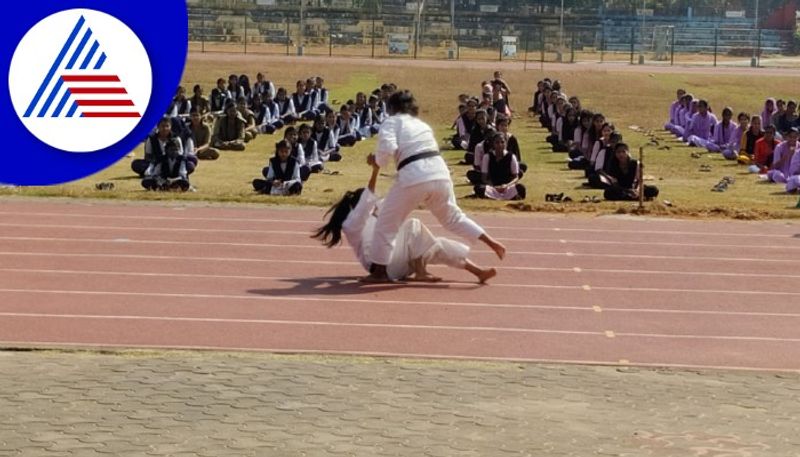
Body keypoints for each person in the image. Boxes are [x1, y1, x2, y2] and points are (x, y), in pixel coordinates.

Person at [361, 90, 506, 283]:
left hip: (413, 175)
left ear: (392, 108)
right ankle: (490, 241)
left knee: (386, 223)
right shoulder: (422, 125)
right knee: (453, 217)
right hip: (440, 173)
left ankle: (379, 272)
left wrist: (377, 161)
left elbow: (387, 148)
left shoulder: (391, 122)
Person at [312, 157, 497, 284]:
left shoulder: (375, 213)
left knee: (437, 245)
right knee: (413, 226)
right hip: (380, 265)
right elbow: (368, 196)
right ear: (361, 204)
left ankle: (478, 272)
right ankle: (421, 272)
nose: (376, 204)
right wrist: (375, 170)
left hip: (397, 264)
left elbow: (396, 198)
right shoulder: (352, 223)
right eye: (372, 203)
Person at [141, 117, 191, 192]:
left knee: (185, 181)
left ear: (171, 127)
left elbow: (182, 174)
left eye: (167, 126)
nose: (165, 128)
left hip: (177, 178)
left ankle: (172, 186)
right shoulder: (152, 140)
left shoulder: (181, 159)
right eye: (162, 126)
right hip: (161, 174)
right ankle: (165, 186)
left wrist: (173, 180)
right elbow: (156, 173)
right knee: (147, 180)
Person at [473, 132, 526, 201]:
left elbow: (516, 177)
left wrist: (506, 186)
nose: (500, 145)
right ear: (493, 144)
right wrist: (494, 186)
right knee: (479, 187)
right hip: (493, 187)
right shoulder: (487, 157)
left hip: (507, 187)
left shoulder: (511, 156)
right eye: (497, 142)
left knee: (521, 188)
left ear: (506, 143)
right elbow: (484, 178)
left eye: (502, 142)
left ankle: (503, 196)